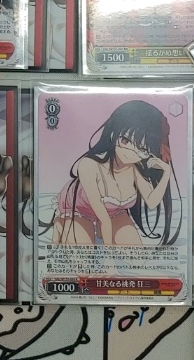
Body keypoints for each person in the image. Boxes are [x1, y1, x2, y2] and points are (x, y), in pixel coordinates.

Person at [49, 99, 179, 248]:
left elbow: (152, 201)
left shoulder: (135, 170)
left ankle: (97, 232)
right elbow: (103, 218)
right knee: (81, 261)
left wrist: (166, 173)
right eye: (125, 140)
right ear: (113, 134)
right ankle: (61, 222)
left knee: (136, 255)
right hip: (79, 211)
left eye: (142, 150)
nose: (130, 152)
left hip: (114, 214)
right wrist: (108, 256)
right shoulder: (89, 166)